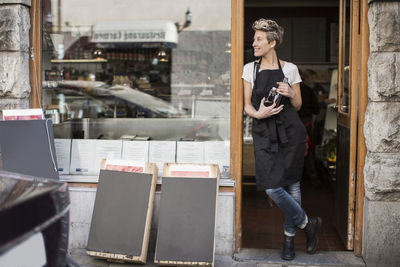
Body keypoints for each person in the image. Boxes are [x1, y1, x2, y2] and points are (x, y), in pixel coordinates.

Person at [241, 19, 322, 261]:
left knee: (292, 185)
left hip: (290, 133)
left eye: (258, 39)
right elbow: (246, 104)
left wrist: (290, 93)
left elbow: (297, 106)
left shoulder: (290, 69)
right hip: (264, 133)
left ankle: (289, 240)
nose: (253, 43)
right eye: (254, 38)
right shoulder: (249, 69)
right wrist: (258, 113)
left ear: (272, 42)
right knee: (272, 186)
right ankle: (308, 225)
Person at [298, 69, 321, 188]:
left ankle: (294, 179)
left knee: (293, 151)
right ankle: (313, 177)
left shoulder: (286, 89)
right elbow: (316, 109)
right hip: (306, 123)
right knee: (308, 151)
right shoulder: (308, 90)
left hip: (292, 124)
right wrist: (311, 123)